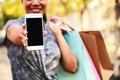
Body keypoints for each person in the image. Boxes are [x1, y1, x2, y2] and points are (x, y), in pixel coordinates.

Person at [1, 0, 78, 80]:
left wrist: (57, 33)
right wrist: (23, 33)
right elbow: (13, 32)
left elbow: (72, 68)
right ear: (22, 1)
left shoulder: (51, 30)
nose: (35, 3)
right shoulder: (13, 24)